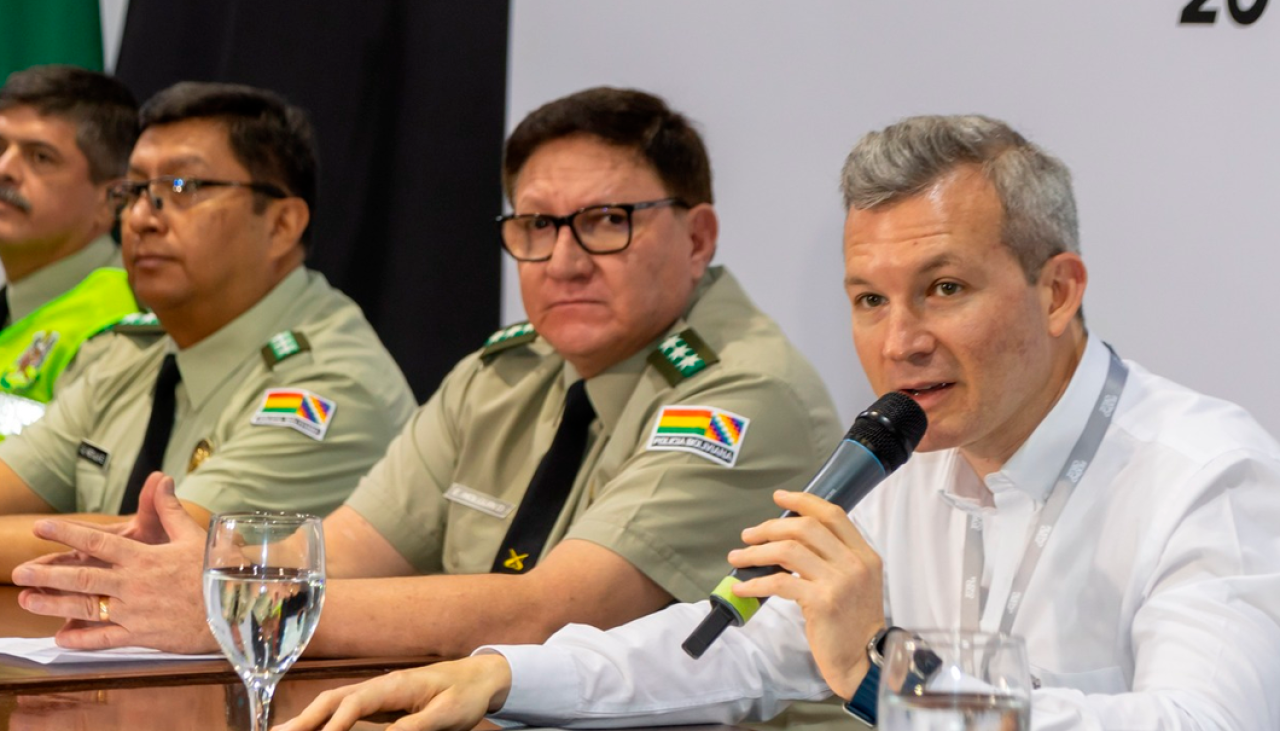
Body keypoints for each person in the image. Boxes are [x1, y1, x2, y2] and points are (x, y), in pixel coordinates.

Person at [276, 114, 1280, 731]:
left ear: (1057, 290)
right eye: (867, 298)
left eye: (940, 288)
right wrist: (499, 672)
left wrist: (888, 671)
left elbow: (1201, 722)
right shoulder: (904, 447)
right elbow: (730, 645)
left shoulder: (1204, 467)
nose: (899, 341)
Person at [10, 87, 842, 659]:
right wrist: (227, 579)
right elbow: (343, 551)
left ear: (698, 237)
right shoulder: (503, 372)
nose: (563, 260)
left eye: (605, 223)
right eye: (535, 226)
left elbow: (552, 611)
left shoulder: (743, 390)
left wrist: (236, 604)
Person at [0, 81, 417, 582]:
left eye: (182, 188)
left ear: (282, 224)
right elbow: (14, 482)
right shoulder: (132, 350)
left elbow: (161, 552)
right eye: (134, 190)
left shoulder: (330, 384)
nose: (141, 218)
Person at [0, 65, 143, 438]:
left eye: (40, 157)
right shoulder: (16, 301)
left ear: (112, 199)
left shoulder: (122, 324)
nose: (4, 169)